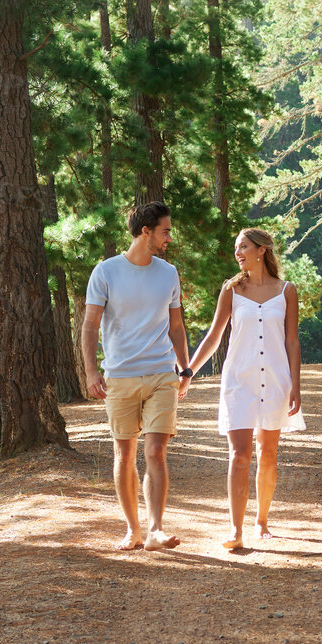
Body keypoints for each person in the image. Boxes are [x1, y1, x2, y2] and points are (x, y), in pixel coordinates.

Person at [81, 202, 195, 552]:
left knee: (156, 450)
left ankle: (155, 530)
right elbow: (90, 324)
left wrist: (185, 368)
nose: (169, 238)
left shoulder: (168, 273)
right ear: (145, 231)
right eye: (165, 231)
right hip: (121, 377)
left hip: (162, 373)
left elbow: (176, 326)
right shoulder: (106, 272)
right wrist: (90, 370)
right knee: (124, 453)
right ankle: (132, 529)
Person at [184, 227, 305, 551]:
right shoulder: (232, 290)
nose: (238, 254)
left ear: (262, 250)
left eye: (244, 247)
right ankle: (235, 530)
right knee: (239, 455)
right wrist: (189, 372)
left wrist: (296, 385)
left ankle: (261, 522)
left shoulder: (286, 291)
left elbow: (292, 341)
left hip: (276, 380)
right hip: (239, 381)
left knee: (268, 454)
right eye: (237, 248)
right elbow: (213, 337)